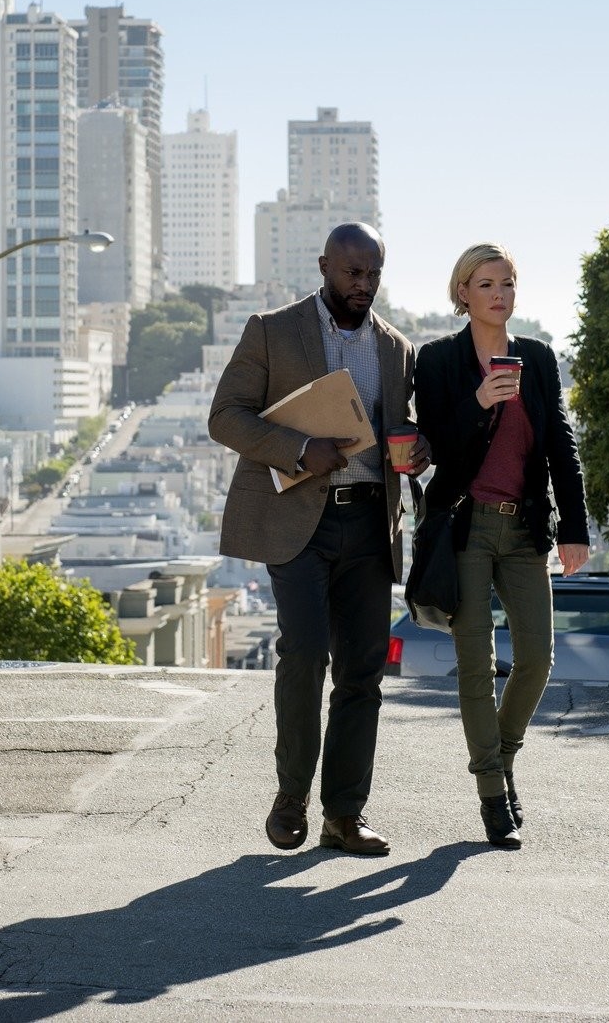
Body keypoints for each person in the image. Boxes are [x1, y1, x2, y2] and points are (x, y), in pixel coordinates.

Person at [209, 223, 429, 856]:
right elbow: (225, 415)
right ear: (324, 265)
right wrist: (302, 448)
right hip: (297, 520)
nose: (363, 286)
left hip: (369, 521)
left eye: (373, 275)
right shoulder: (273, 330)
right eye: (352, 273)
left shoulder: (397, 348)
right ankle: (290, 798)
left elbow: (412, 433)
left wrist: (417, 448)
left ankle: (344, 816)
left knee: (363, 672)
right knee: (304, 655)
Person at [414, 243, 588, 848]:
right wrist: (478, 403)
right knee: (475, 665)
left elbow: (560, 445)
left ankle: (501, 757)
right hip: (464, 525)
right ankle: (492, 793)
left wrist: (575, 527)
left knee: (538, 658)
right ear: (462, 291)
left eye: (507, 283)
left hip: (524, 529)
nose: (498, 294)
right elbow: (434, 446)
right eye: (486, 283)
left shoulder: (537, 358)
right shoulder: (436, 360)